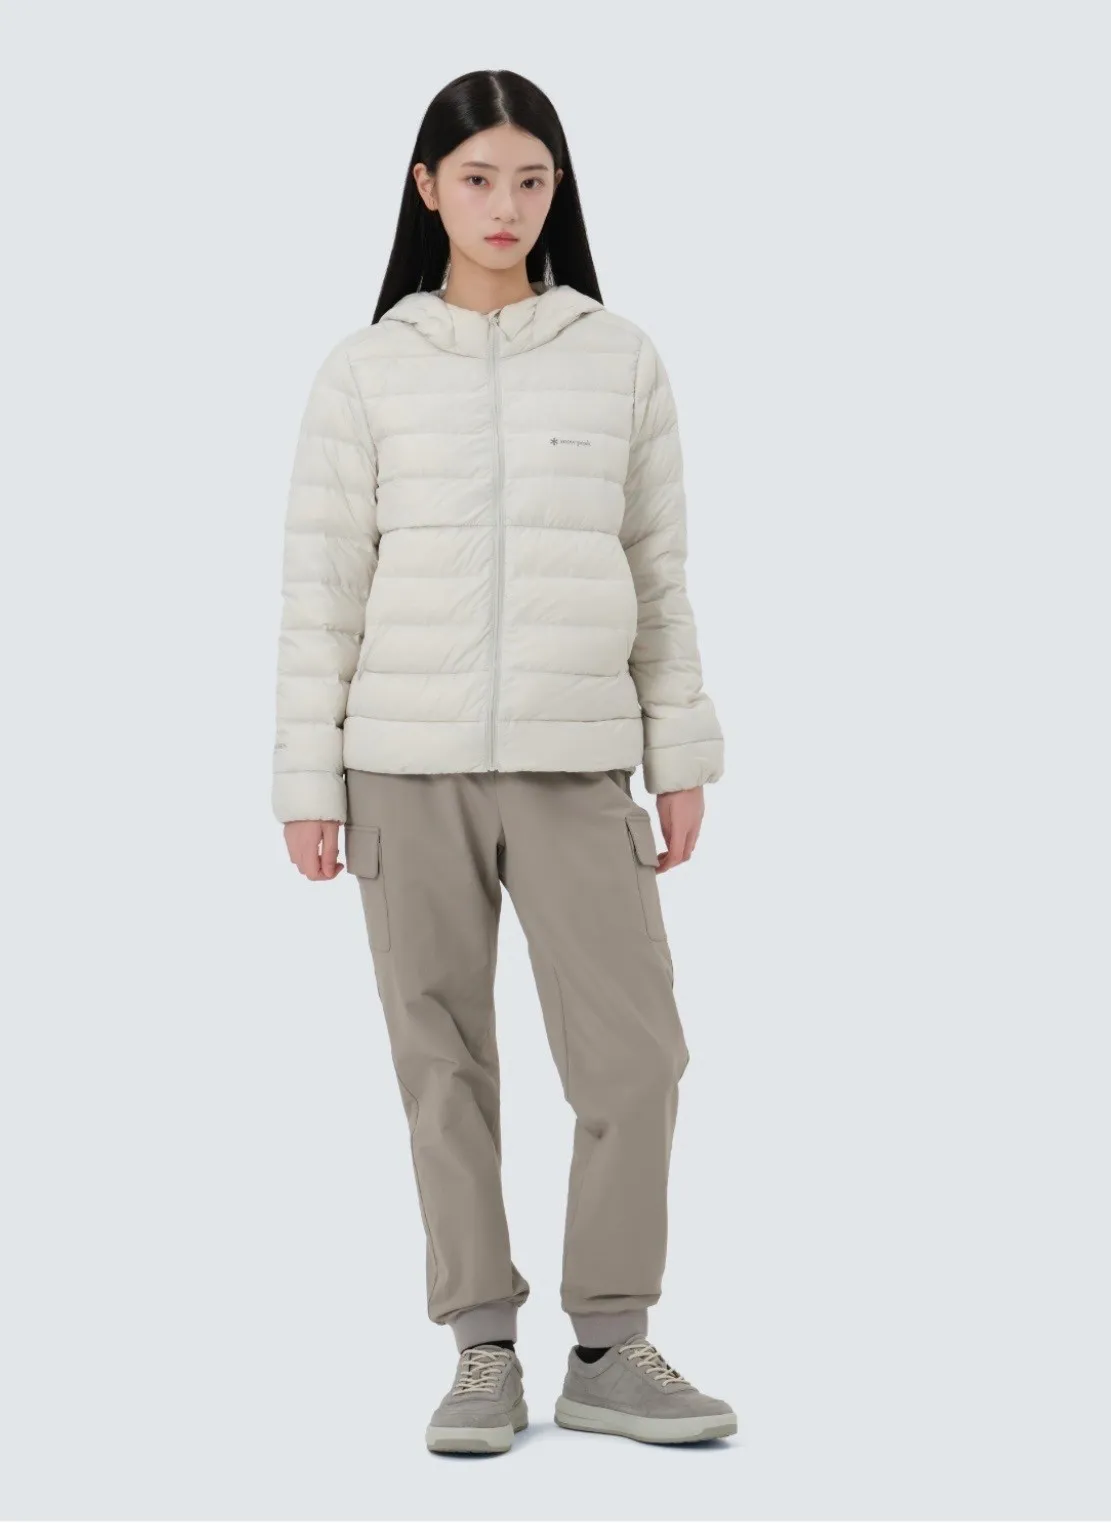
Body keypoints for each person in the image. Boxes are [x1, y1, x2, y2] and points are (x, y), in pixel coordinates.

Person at [271, 68, 735, 1454]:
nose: (505, 205)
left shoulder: (617, 357)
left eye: (531, 180)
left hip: (576, 761)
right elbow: (320, 590)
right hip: (399, 769)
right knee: (442, 1062)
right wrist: (306, 780)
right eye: (477, 178)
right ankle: (481, 1347)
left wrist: (679, 753)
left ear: (556, 191)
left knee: (636, 1057)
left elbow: (659, 573)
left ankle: (607, 1343)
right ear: (427, 189)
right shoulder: (365, 370)